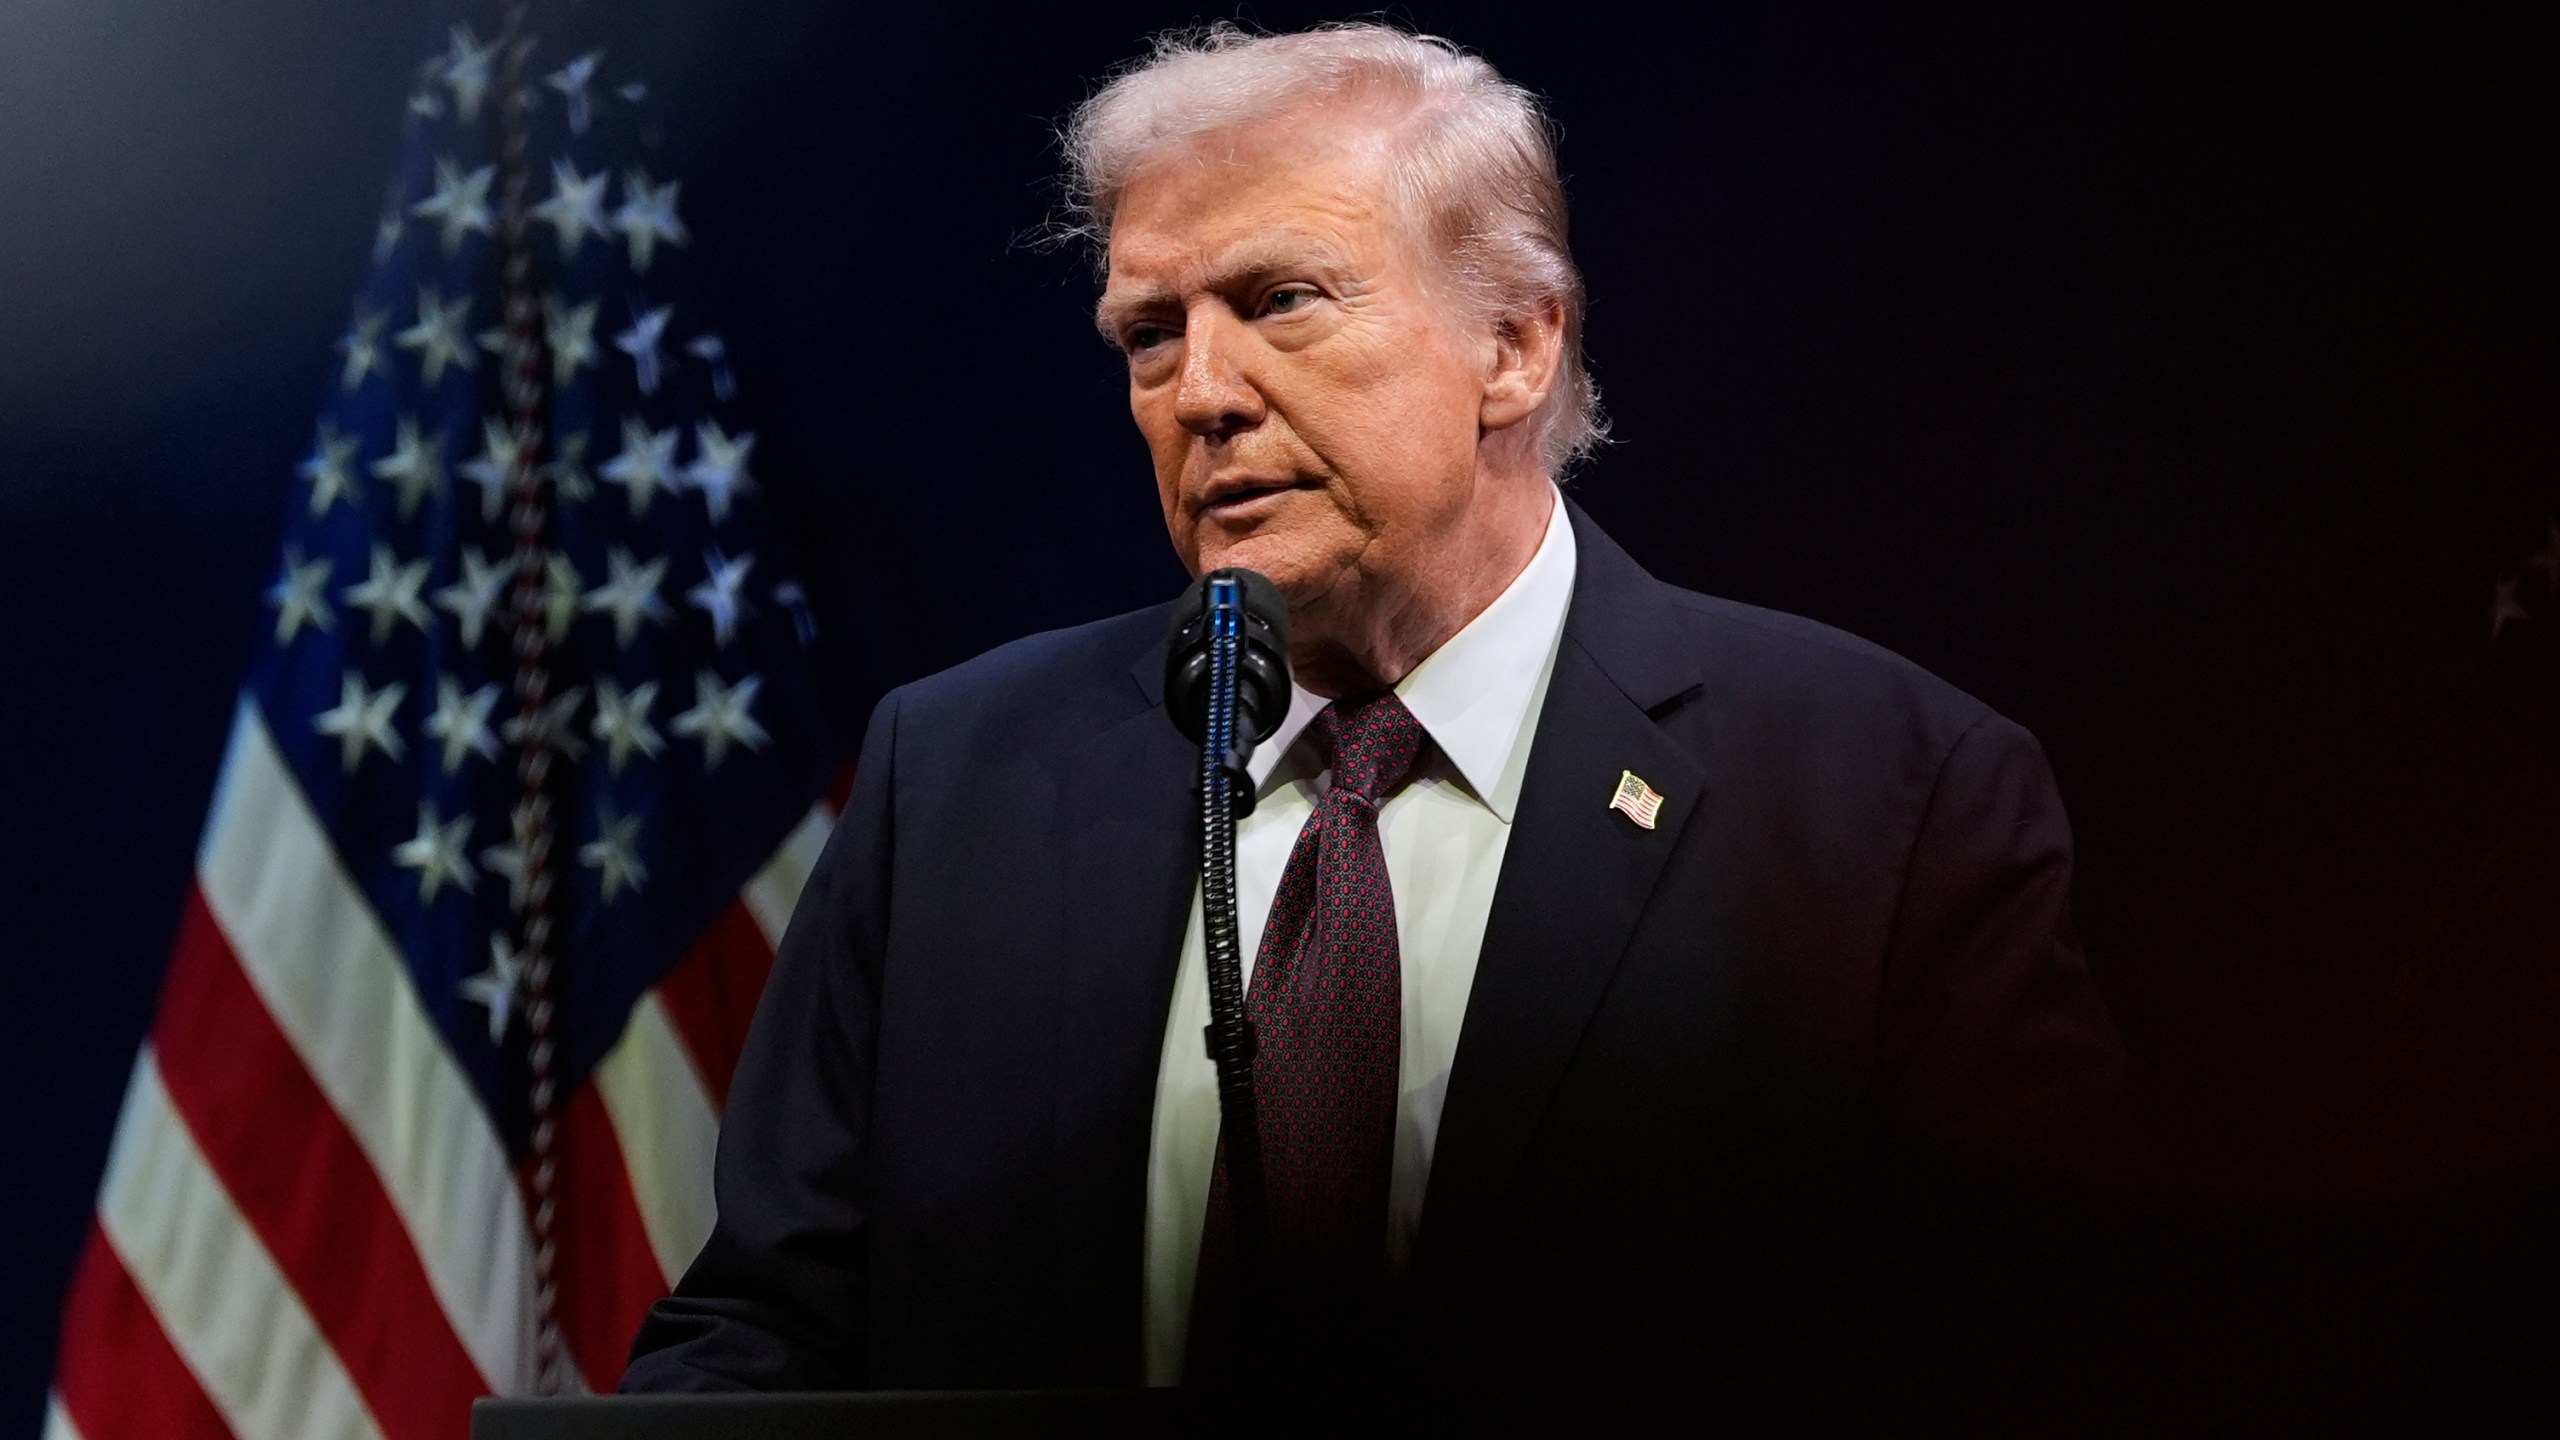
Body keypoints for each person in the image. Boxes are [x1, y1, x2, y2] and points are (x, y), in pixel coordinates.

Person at [623, 22, 2127, 1418]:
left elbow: (2029, 1363)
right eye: (1150, 334)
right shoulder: (953, 783)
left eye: (1280, 301)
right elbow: (765, 1338)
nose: (1199, 391)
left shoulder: (1891, 802)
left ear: (1515, 345)